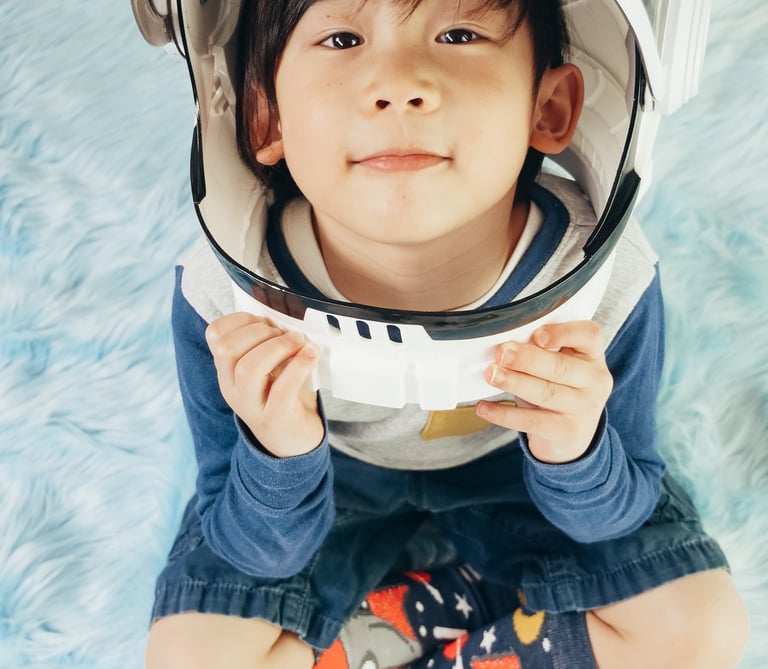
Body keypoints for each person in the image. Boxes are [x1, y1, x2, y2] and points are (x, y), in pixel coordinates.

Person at [144, 1, 749, 668]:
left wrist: (574, 450)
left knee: (701, 629)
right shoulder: (228, 297)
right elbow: (254, 548)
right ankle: (491, 609)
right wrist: (278, 454)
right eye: (342, 39)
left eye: (459, 33)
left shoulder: (602, 280)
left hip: (519, 476)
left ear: (549, 110)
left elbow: (617, 511)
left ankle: (410, 619)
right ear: (266, 116)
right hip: (330, 485)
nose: (399, 83)